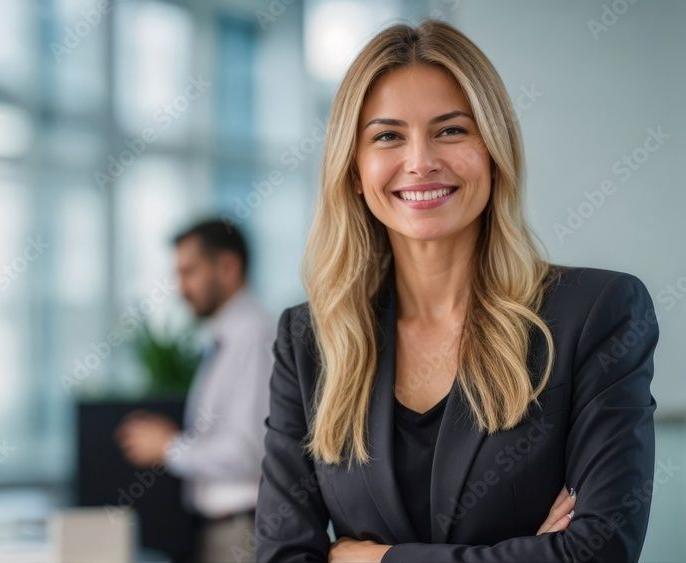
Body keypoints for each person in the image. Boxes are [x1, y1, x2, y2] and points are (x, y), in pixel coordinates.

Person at [255, 20, 658, 563]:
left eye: (450, 131)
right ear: (353, 171)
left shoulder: (596, 313)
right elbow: (282, 555)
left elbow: (597, 552)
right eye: (388, 136)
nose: (421, 161)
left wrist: (370, 559)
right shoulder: (309, 339)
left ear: (493, 149)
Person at [116, 219, 275, 562]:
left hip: (240, 530)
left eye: (189, 272)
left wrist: (168, 447)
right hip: (221, 530)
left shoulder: (254, 336)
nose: (181, 288)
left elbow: (247, 451)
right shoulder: (224, 338)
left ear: (228, 267)